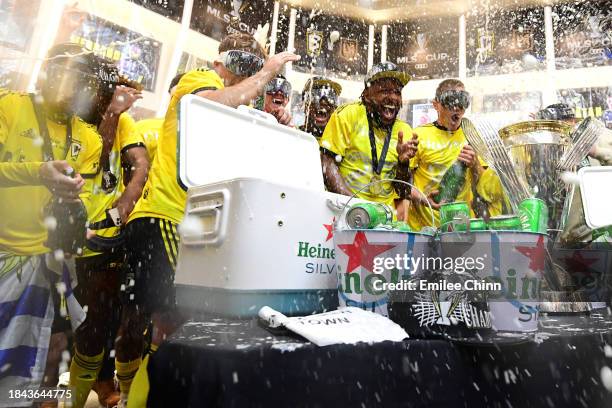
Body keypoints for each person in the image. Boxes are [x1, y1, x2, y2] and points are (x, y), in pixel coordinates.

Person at [115, 33, 298, 407]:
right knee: (173, 323)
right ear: (220, 62)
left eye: (253, 65)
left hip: (199, 226)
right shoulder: (200, 80)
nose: (246, 74)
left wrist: (274, 122)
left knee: (180, 327)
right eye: (243, 64)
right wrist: (267, 71)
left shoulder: (238, 105)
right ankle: (140, 395)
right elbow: (216, 104)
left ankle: (143, 394)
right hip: (167, 216)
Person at [0, 43, 103, 406]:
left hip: (49, 265)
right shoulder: (8, 106)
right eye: (61, 74)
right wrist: (37, 172)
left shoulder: (90, 139)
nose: (68, 86)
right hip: (3, 255)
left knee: (50, 350)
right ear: (47, 72)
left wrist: (80, 216)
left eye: (79, 80)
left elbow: (86, 198)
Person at [66, 63, 147, 407]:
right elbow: (91, 159)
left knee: (95, 326)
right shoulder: (66, 117)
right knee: (59, 330)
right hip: (57, 236)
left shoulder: (123, 120)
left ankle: (78, 396)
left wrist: (122, 208)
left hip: (101, 240)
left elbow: (139, 165)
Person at [319, 62, 418, 218]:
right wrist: (354, 205)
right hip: (344, 213)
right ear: (366, 94)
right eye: (385, 90)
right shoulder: (347, 115)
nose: (392, 98)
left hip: (382, 218)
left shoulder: (404, 131)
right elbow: (327, 163)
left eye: (397, 92)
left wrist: (403, 164)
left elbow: (403, 191)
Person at [407, 78, 484, 230]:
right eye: (450, 101)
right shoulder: (419, 135)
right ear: (436, 104)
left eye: (462, 101)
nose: (457, 107)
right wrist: (423, 200)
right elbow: (403, 183)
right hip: (424, 228)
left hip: (460, 226)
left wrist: (474, 164)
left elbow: (483, 186)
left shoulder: (472, 135)